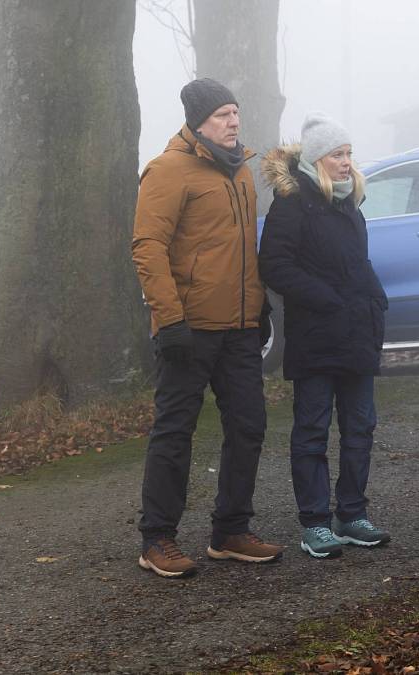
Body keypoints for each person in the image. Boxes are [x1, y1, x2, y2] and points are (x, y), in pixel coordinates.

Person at [132, 78, 284, 578]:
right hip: (188, 329)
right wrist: (169, 320)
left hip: (239, 328)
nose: (233, 122)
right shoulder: (168, 170)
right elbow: (148, 248)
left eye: (236, 112)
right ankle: (158, 539)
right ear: (198, 121)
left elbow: (241, 248)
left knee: (249, 426)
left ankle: (230, 531)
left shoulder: (240, 171)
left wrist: (257, 307)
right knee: (174, 432)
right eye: (222, 114)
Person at [258, 113, 391, 559]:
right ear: (318, 160)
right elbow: (274, 266)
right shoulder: (291, 204)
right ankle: (314, 523)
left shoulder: (349, 205)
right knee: (312, 431)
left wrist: (376, 301)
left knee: (360, 428)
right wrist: (327, 299)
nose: (347, 162)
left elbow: (360, 266)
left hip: (356, 336)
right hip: (316, 337)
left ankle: (351, 515)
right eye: (338, 154)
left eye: (350, 153)